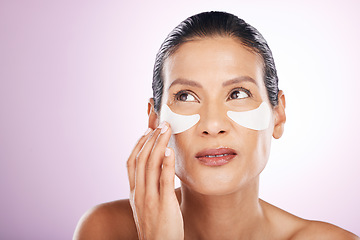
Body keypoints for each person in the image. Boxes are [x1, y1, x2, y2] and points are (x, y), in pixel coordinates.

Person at [73, 11, 359, 240]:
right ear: (154, 119)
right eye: (185, 96)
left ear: (278, 115)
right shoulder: (105, 230)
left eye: (238, 94)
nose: (212, 124)